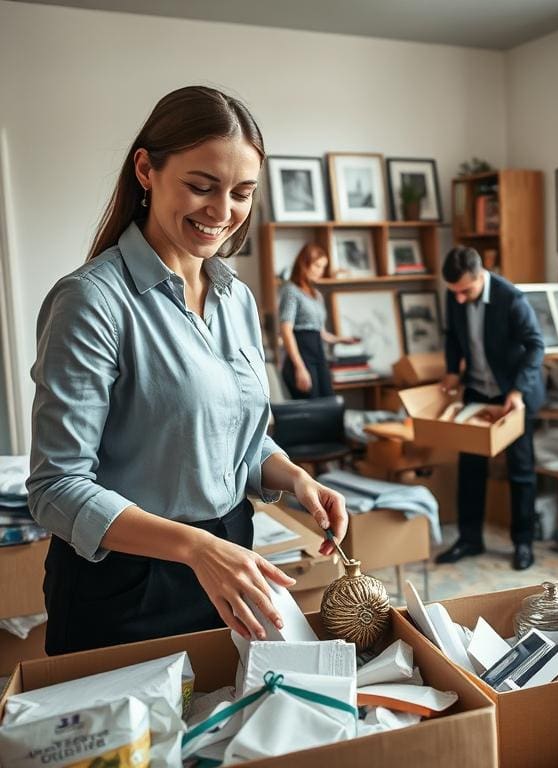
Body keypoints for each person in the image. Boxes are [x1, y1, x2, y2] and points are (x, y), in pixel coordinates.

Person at [27, 86, 348, 656]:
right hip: (127, 580)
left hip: (232, 558)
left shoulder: (238, 299)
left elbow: (234, 440)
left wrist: (296, 478)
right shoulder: (91, 301)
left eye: (242, 193)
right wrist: (195, 547)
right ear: (146, 169)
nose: (222, 213)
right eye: (201, 187)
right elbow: (57, 488)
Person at [435, 247, 545, 570]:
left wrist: (517, 391)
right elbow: (452, 336)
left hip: (512, 395)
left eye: (465, 291)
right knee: (470, 468)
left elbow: (536, 344)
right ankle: (470, 539)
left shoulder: (511, 298)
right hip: (477, 391)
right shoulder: (455, 295)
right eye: (453, 292)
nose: (458, 298)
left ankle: (523, 543)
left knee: (521, 471)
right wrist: (453, 370)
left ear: (480, 274)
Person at [279, 244, 356, 399]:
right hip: (302, 359)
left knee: (330, 407)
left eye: (323, 267)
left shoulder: (317, 295)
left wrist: (340, 339)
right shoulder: (291, 291)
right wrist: (299, 368)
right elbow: (286, 331)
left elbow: (319, 332)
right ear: (304, 264)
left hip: (319, 357)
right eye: (317, 266)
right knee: (313, 413)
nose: (321, 271)